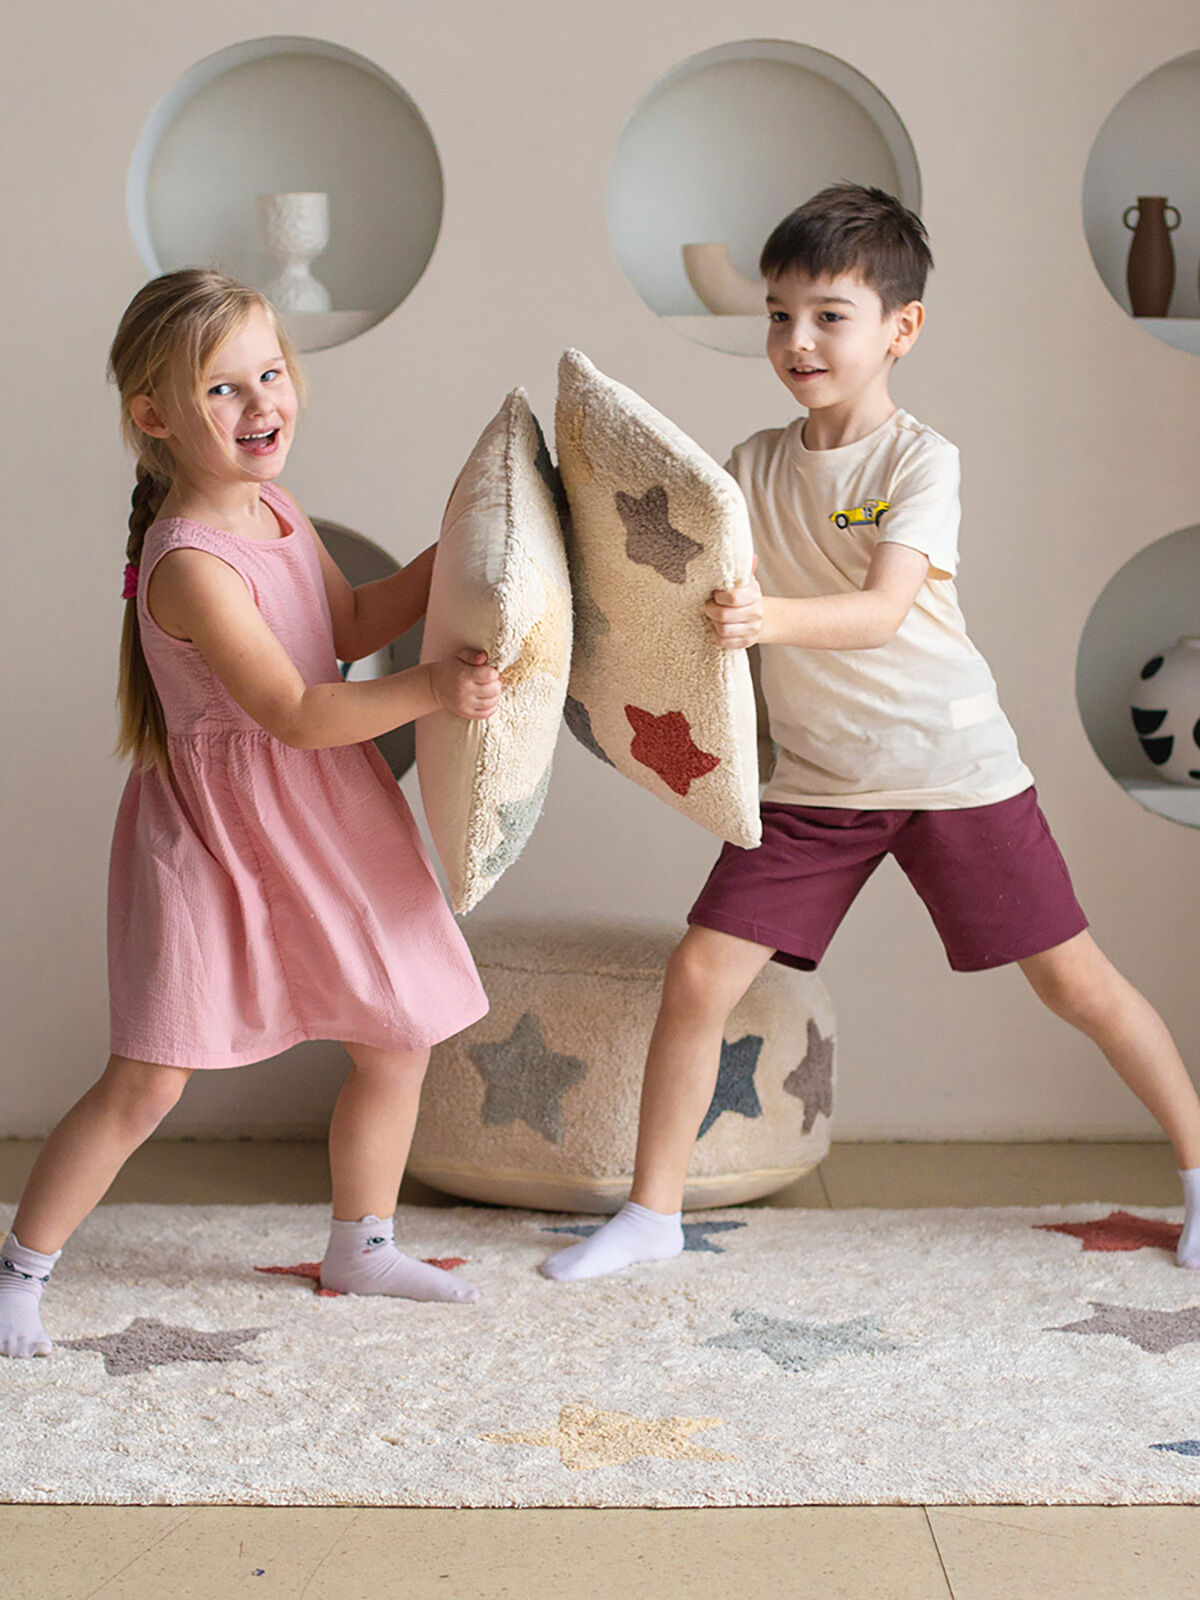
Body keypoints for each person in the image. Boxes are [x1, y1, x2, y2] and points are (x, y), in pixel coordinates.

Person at [542, 183, 1200, 1282]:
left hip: (951, 772)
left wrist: (767, 619)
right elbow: (671, 583)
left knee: (1073, 985)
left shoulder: (919, 462)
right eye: (778, 314)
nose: (797, 340)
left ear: (903, 327)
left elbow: (884, 609)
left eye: (829, 316)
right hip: (817, 784)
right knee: (699, 975)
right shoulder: (749, 466)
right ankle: (652, 1214)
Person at [0, 269, 500, 1358]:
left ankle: (363, 1245)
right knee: (151, 1073)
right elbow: (295, 711)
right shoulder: (189, 562)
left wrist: (463, 553)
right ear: (154, 417)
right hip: (221, 834)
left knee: (397, 1035)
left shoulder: (277, 508)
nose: (261, 402)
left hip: (322, 815)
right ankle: (18, 1269)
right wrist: (430, 690)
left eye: (269, 373)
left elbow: (348, 622)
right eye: (221, 389)